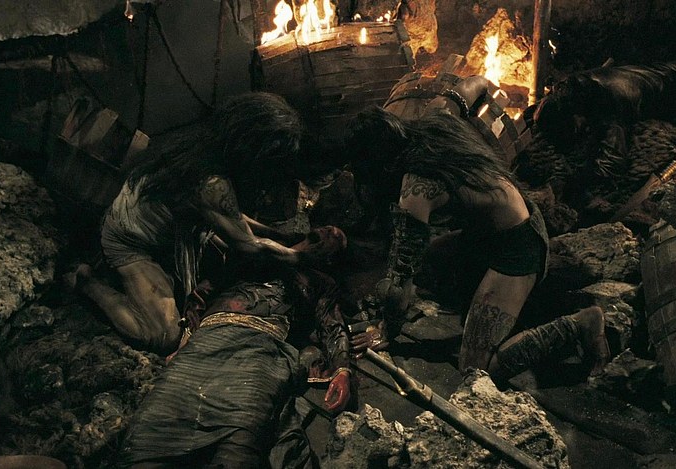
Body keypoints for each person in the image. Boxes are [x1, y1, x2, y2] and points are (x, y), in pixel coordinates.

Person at [344, 106, 610, 383]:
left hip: (518, 246)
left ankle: (581, 324)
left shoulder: (415, 189)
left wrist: (387, 330)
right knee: (428, 258)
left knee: (476, 369)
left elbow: (401, 280)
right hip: (498, 231)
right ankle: (485, 303)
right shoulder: (431, 128)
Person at [66, 92, 333, 355]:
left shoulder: (207, 151)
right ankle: (87, 281)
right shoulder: (212, 183)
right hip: (130, 241)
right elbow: (248, 244)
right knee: (164, 335)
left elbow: (232, 216)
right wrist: (301, 256)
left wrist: (279, 236)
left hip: (160, 233)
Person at [119, 226, 352, 468]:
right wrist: (186, 339)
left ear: (331, 258)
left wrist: (342, 370)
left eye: (336, 237)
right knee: (155, 422)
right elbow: (202, 293)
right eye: (328, 228)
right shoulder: (255, 254)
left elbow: (332, 325)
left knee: (242, 427)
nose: (331, 230)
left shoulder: (320, 281)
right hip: (209, 338)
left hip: (261, 347)